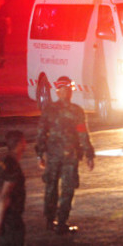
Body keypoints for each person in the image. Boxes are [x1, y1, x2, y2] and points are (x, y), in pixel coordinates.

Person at [35, 76, 95, 234]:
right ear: (69, 91)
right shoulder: (76, 111)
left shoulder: (48, 109)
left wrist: (40, 154)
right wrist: (89, 154)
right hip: (70, 156)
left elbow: (41, 132)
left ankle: (49, 220)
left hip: (53, 155)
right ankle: (61, 222)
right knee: (67, 188)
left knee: (51, 187)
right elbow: (82, 134)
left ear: (57, 91)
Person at [0, 130, 27, 246]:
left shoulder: (4, 162)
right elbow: (4, 198)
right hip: (12, 219)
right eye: (24, 141)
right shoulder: (14, 168)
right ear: (20, 143)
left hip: (7, 216)